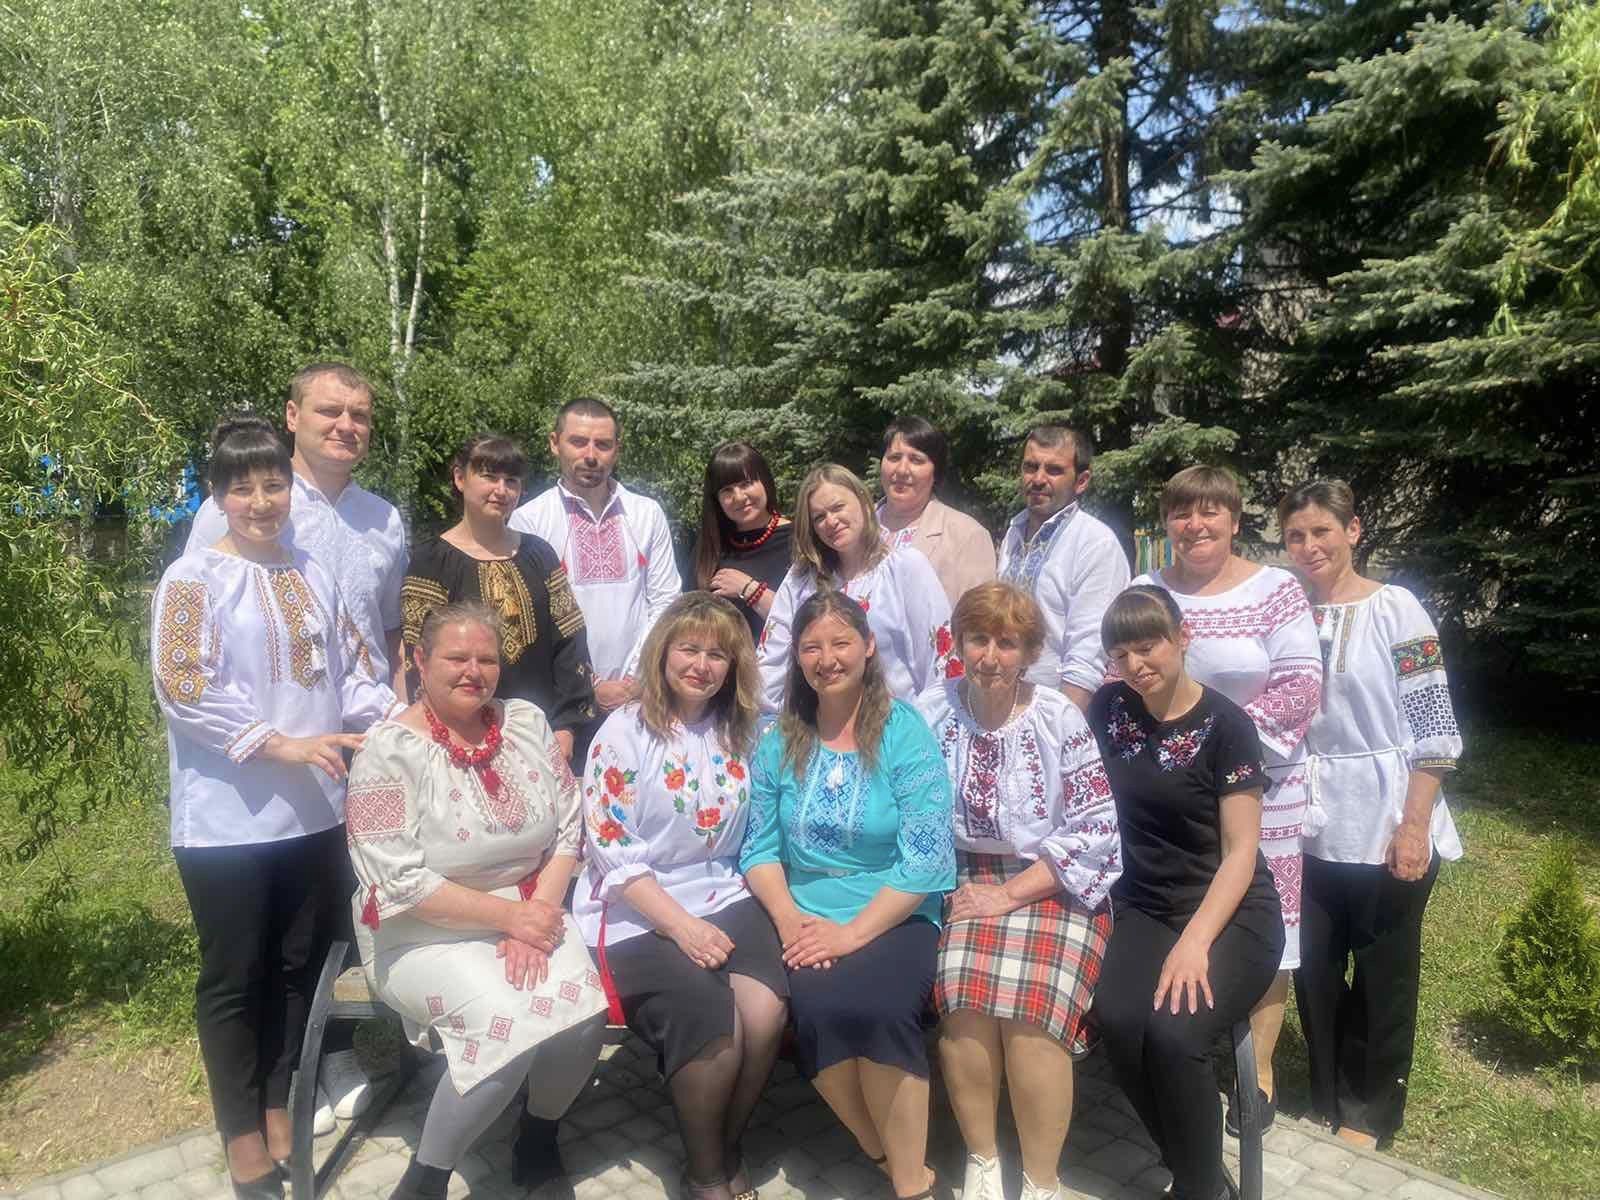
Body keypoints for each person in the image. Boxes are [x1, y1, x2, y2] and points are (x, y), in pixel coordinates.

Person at [152, 414, 399, 1199]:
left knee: (300, 967)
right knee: (236, 975)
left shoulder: (311, 573)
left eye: (273, 485)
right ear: (218, 497)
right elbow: (184, 687)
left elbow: (354, 672)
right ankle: (240, 1136)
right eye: (243, 488)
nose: (261, 501)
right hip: (225, 820)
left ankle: (278, 1101)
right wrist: (282, 744)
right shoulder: (193, 579)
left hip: (315, 811)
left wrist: (395, 725)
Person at [344, 603, 609, 1200]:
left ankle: (537, 1136)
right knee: (504, 1027)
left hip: (533, 908)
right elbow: (397, 881)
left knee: (584, 1018)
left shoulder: (526, 723)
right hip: (418, 931)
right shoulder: (386, 752)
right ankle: (425, 1179)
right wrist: (512, 918)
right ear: (419, 660)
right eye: (456, 657)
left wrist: (535, 916)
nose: (474, 671)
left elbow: (570, 828)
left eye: (486, 659)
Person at [742, 590, 957, 1200]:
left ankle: (912, 1186)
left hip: (894, 909)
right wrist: (788, 920)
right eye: (811, 647)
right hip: (807, 917)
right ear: (797, 658)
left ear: (868, 647)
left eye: (840, 643)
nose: (827, 658)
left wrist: (851, 935)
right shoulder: (780, 738)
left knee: (881, 1012)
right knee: (821, 1014)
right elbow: (759, 848)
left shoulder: (904, 732)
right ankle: (885, 1155)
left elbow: (926, 857)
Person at [575, 594, 788, 1200]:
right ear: (662, 652)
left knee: (765, 1010)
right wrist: (682, 928)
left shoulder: (742, 728)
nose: (701, 665)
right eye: (688, 649)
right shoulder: (624, 732)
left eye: (717, 654)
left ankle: (725, 1142)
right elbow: (612, 849)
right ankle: (706, 1176)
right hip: (636, 905)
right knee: (710, 1017)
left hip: (724, 889)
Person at [1131, 465, 1322, 1132]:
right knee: (1178, 904)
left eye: (1210, 512)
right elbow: (1118, 676)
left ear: (1235, 520)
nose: (1196, 525)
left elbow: (1300, 688)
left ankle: (1257, 1072)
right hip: (1167, 793)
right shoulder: (1146, 590)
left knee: (1268, 922)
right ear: (1167, 522)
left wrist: (1213, 748)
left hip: (1263, 785)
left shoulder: (1275, 591)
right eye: (1182, 513)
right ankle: (1179, 1026)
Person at [915, 583, 1121, 1200]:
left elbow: (1095, 830)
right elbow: (909, 808)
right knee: (963, 999)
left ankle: (1041, 1179)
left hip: (1052, 880)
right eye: (978, 639)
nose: (990, 656)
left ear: (1029, 652)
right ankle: (982, 1160)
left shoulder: (1059, 717)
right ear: (958, 643)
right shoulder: (930, 711)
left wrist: (1008, 896)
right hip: (960, 876)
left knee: (1034, 1012)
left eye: (1007, 643)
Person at [1279, 480, 1464, 1149]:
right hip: (1310, 817)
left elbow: (1434, 722)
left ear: (1353, 530)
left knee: (1384, 974)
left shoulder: (1398, 609)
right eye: (1295, 535)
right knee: (1316, 969)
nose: (1309, 546)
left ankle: (1369, 1110)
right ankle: (1327, 1095)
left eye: (1322, 531)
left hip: (1387, 811)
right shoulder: (1288, 613)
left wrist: (1414, 825)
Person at [1088, 587, 1285, 1200]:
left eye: (1148, 647)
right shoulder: (1109, 708)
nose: (1135, 665)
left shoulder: (1229, 726)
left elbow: (1241, 852)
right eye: (1121, 654)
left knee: (1175, 1036)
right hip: (1146, 904)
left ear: (1182, 637)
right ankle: (1194, 1170)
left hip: (1231, 911)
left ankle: (1199, 1189)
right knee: (1120, 1020)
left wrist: (1195, 942)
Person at [402, 433, 598, 763]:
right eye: (489, 476)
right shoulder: (432, 561)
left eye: (511, 481)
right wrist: (438, 733)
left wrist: (567, 725)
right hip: (459, 738)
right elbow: (419, 656)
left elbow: (570, 642)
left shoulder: (539, 554)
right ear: (460, 478)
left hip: (541, 734)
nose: (501, 490)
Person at [510, 396, 681, 716]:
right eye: (578, 442)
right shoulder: (529, 520)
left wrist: (637, 678)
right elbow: (534, 620)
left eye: (602, 444)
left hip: (642, 695)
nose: (590, 455)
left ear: (617, 449)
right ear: (554, 443)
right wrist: (591, 683)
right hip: (563, 699)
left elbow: (666, 600)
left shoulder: (646, 513)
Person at [756, 464, 953, 712]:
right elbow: (771, 662)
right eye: (819, 517)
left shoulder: (905, 568)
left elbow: (941, 662)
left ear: (862, 502)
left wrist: (922, 725)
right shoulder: (801, 579)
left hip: (895, 724)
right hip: (820, 726)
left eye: (838, 507)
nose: (831, 521)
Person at [997, 426, 1130, 711]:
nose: (1038, 479)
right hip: (1002, 708)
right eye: (1030, 467)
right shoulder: (1013, 535)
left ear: (1081, 481)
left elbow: (1088, 655)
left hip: (1057, 711)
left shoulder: (1095, 543)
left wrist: (1061, 727)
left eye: (1054, 470)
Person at [875, 416, 996, 606]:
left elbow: (978, 617)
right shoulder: (854, 525)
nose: (902, 470)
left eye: (916, 460)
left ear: (935, 473)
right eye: (894, 458)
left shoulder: (967, 536)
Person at [692, 442, 794, 641]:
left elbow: (810, 621)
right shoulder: (710, 547)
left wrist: (750, 590)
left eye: (746, 483)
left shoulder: (798, 541)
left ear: (765, 481)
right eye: (727, 490)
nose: (738, 497)